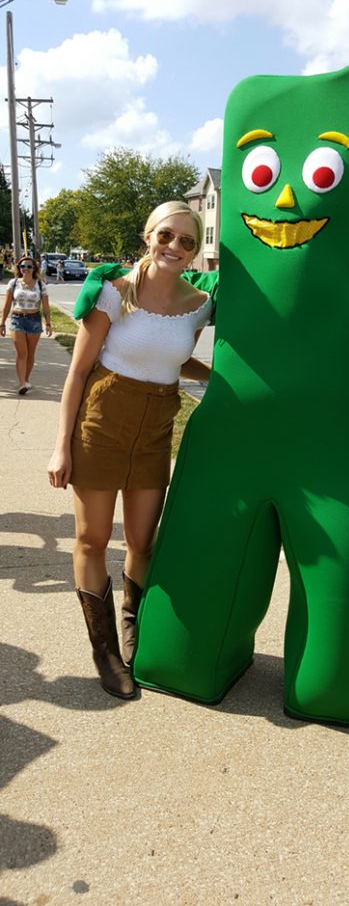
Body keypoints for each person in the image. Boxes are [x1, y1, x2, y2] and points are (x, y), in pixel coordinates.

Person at [47, 202, 212, 700]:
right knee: (93, 539)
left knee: (142, 541)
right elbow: (79, 370)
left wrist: (220, 377)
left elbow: (175, 360)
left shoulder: (200, 304)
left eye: (186, 241)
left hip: (156, 427)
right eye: (166, 235)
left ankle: (131, 625)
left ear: (195, 251)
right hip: (102, 420)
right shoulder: (116, 292)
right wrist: (61, 447)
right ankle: (104, 651)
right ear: (148, 235)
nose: (174, 247)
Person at [0, 256, 52, 394]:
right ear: (19, 268)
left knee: (30, 353)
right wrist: (2, 323)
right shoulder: (13, 283)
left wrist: (48, 323)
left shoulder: (41, 285)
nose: (26, 269)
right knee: (22, 353)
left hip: (34, 320)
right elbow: (7, 305)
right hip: (17, 319)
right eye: (23, 266)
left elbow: (46, 307)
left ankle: (26, 379)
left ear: (34, 268)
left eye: (29, 266)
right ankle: (22, 383)